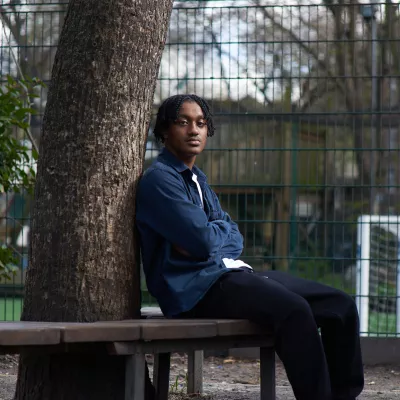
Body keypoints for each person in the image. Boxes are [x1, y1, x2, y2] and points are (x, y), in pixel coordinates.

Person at [136, 94, 364, 400]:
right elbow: (204, 240)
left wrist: (212, 238)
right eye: (183, 122)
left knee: (340, 306)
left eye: (201, 123)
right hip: (195, 290)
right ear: (164, 130)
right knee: (294, 311)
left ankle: (344, 395)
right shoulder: (159, 181)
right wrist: (212, 238)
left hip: (229, 273)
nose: (194, 130)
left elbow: (232, 237)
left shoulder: (197, 178)